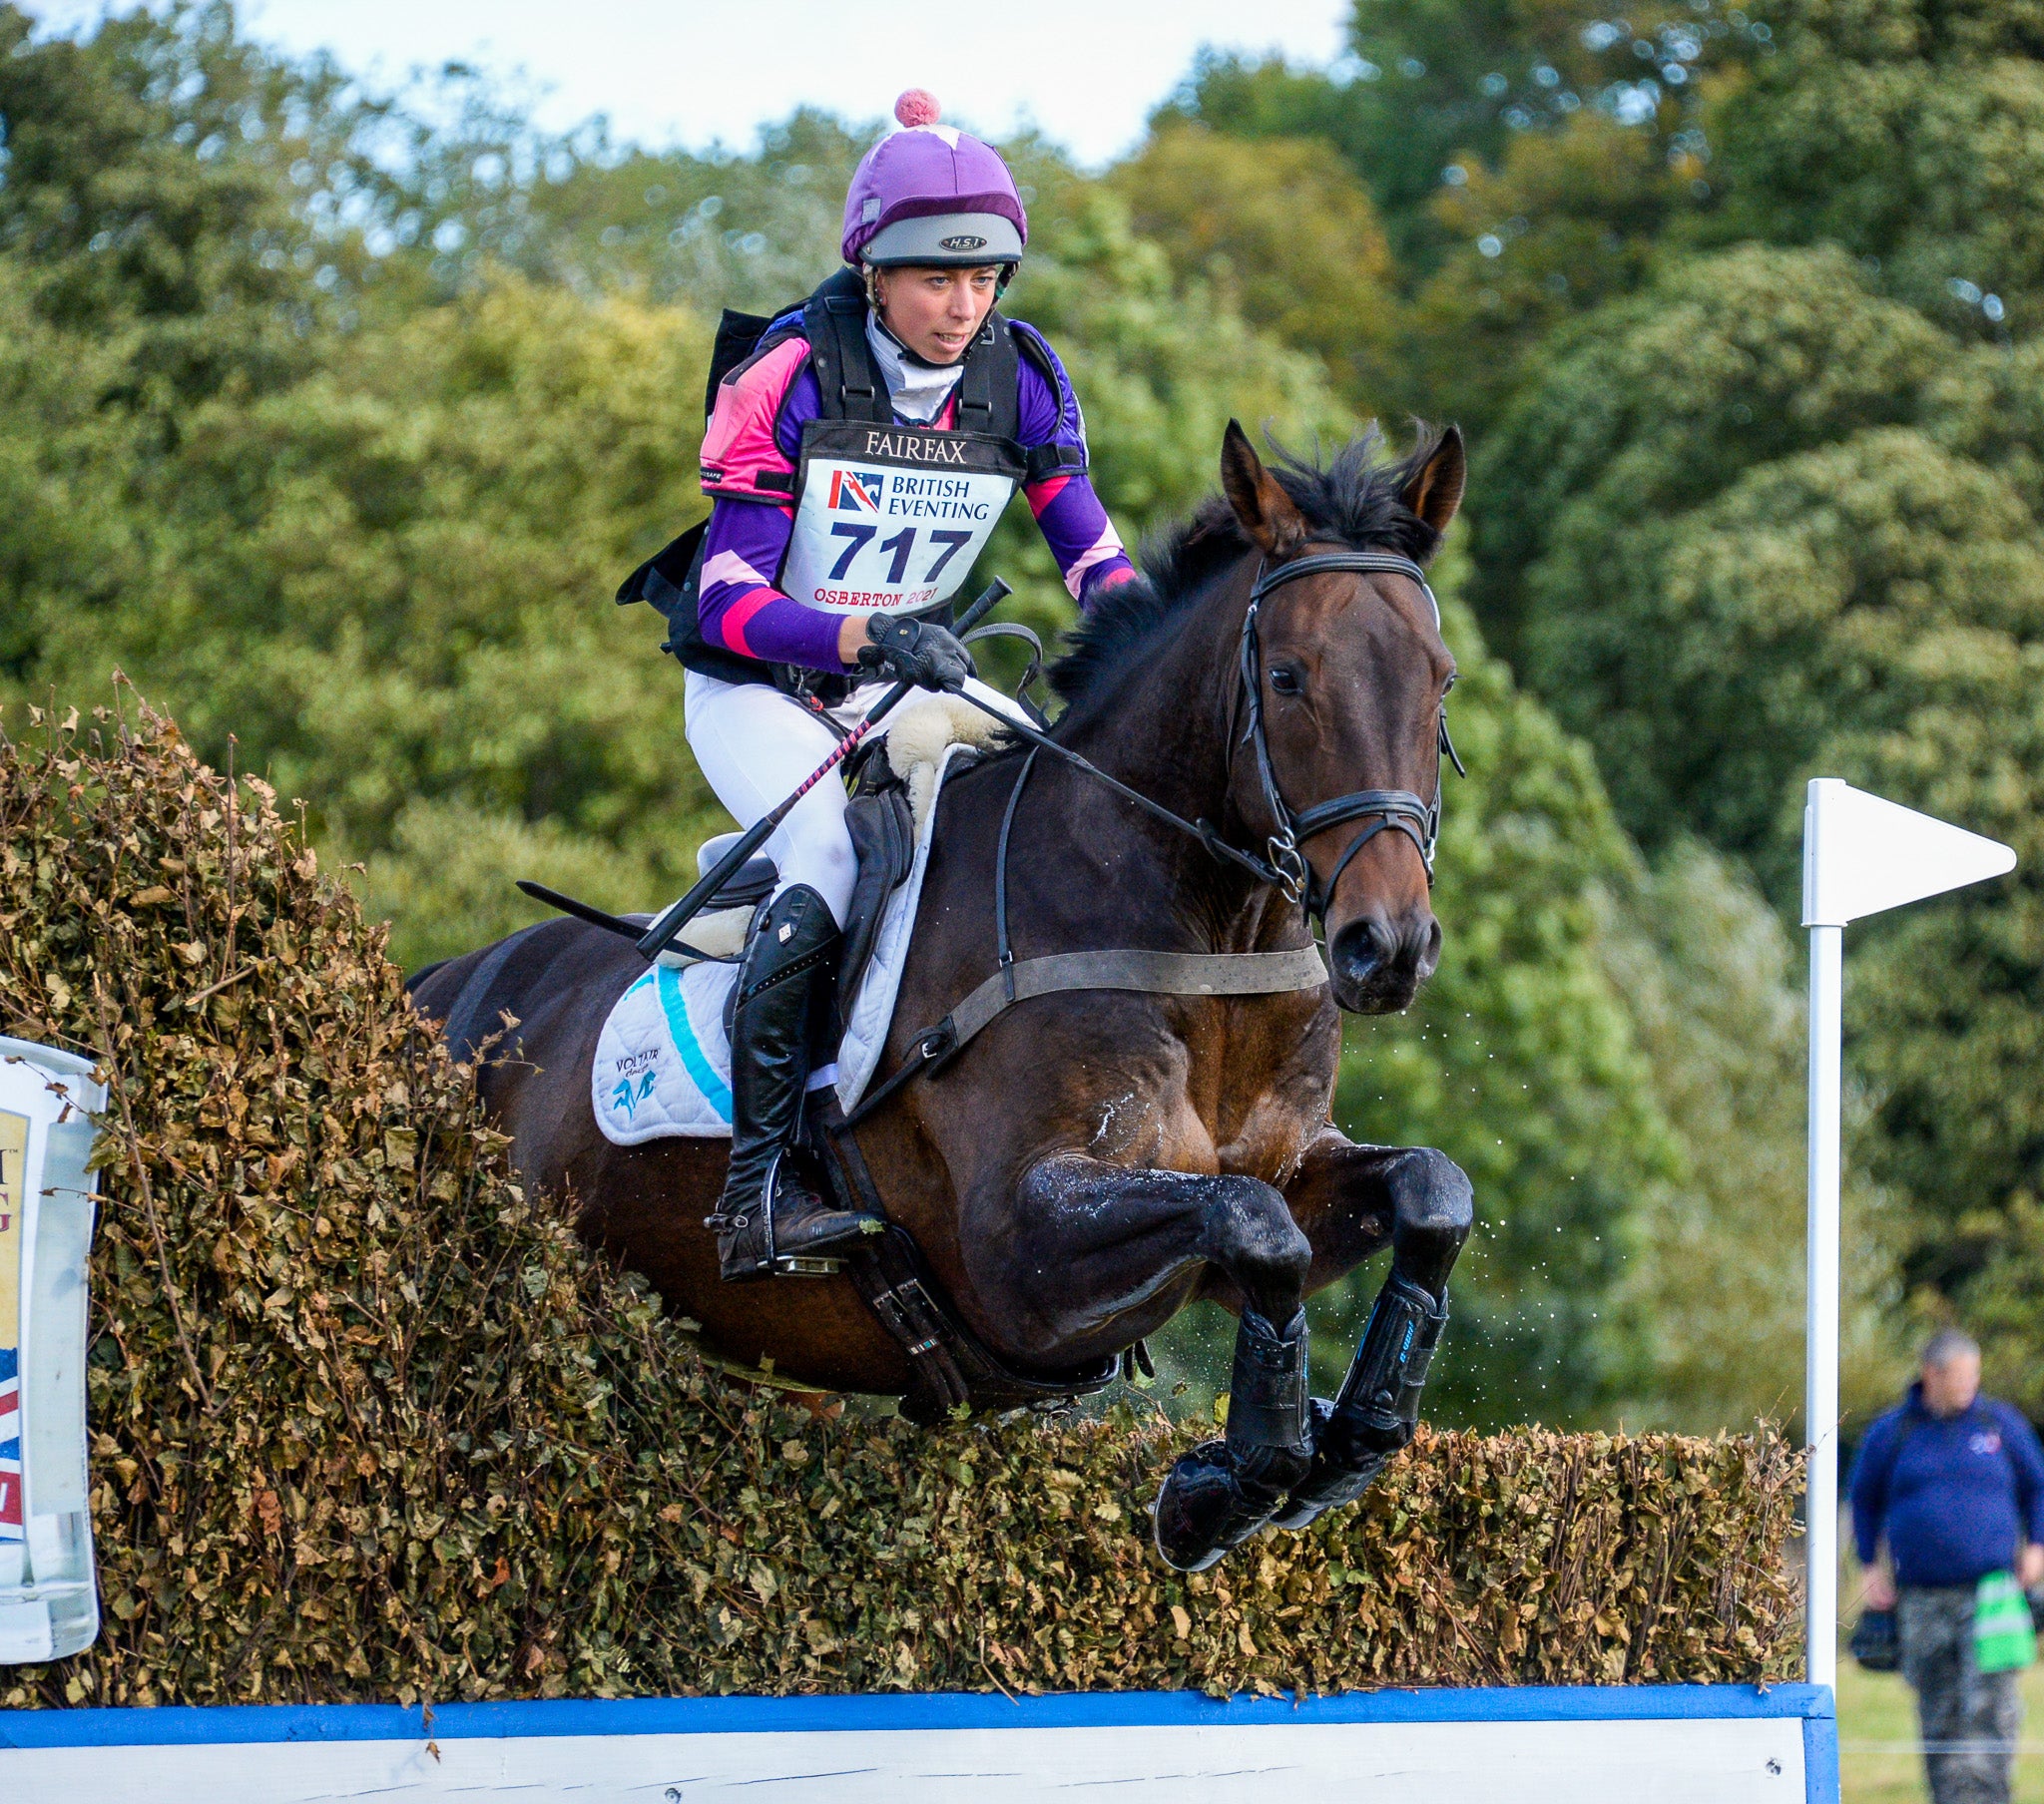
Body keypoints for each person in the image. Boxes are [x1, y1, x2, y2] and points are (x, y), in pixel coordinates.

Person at [672, 92, 1143, 1282]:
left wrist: (1167, 644)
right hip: (762, 690)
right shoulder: (788, 369)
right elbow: (722, 596)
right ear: (873, 270)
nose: (962, 305)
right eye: (936, 278)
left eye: (983, 279)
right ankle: (758, 1187)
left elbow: (1091, 558)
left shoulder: (1020, 376)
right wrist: (869, 637)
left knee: (1063, 806)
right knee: (829, 856)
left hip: (906, 680)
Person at [1851, 1328, 2044, 1804]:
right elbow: (1863, 1499)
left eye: (1975, 1374)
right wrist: (1867, 1564)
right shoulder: (1893, 1432)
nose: (1970, 1384)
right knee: (1938, 1711)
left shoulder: (1999, 1424)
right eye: (1961, 1376)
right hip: (1921, 1599)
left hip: (1994, 1595)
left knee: (1991, 1711)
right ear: (1931, 1374)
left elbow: (2038, 1486)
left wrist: (2037, 1546)